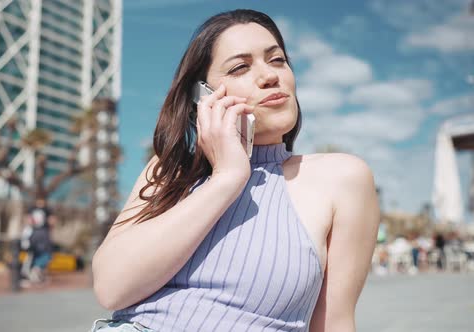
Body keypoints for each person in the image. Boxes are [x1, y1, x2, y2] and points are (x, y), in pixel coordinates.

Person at [91, 9, 379, 332]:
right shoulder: (168, 171)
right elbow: (110, 288)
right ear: (205, 97)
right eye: (240, 67)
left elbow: (334, 323)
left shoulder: (340, 179)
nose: (270, 76)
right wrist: (226, 179)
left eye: (277, 60)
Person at [25, 198, 56, 283]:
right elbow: (52, 221)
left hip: (34, 233)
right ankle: (36, 269)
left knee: (35, 253)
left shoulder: (31, 209)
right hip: (43, 233)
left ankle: (36, 273)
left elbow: (28, 221)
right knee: (47, 254)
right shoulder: (47, 210)